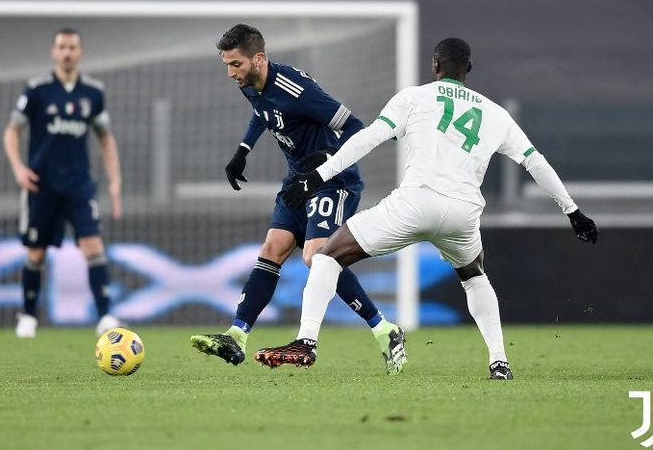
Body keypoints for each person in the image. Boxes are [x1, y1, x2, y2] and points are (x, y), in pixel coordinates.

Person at [255, 37, 599, 380]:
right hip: (463, 213)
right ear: (468, 70)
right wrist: (572, 211)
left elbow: (369, 137)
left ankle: (306, 341)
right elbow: (535, 163)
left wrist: (319, 175)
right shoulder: (496, 114)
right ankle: (499, 362)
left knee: (328, 257)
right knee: (475, 276)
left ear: (435, 66)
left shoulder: (414, 97)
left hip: (415, 203)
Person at [189, 24, 407, 374]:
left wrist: (325, 158)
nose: (231, 73)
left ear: (258, 59)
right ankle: (237, 335)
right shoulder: (251, 83)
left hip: (332, 180)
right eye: (227, 65)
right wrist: (244, 149)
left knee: (316, 256)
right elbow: (263, 111)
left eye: (236, 65)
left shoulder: (297, 89)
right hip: (297, 181)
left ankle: (385, 329)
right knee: (273, 247)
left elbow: (355, 126)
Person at [3, 28, 123, 338]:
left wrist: (115, 179)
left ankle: (106, 316)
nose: (67, 52)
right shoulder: (37, 89)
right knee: (36, 254)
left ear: (80, 53)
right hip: (41, 185)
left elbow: (105, 138)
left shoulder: (93, 93)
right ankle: (28, 317)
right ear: (53, 52)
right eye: (62, 47)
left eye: (72, 47)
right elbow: (11, 132)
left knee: (93, 246)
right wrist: (18, 168)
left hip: (79, 184)